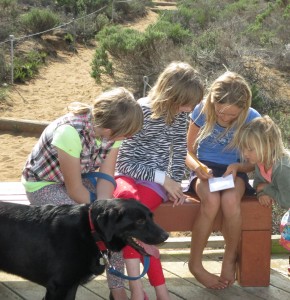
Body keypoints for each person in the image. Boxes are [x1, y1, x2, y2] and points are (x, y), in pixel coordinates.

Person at [110, 61, 204, 300]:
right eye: (188, 103)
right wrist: (164, 178)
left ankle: (148, 293)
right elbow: (123, 163)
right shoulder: (140, 112)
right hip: (128, 178)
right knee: (127, 206)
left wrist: (173, 182)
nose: (191, 108)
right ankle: (142, 291)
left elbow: (179, 151)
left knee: (132, 218)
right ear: (172, 96)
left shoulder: (181, 116)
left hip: (155, 184)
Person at [185, 71, 261, 289]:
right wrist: (198, 166)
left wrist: (238, 167)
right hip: (204, 168)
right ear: (212, 101)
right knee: (211, 201)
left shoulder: (251, 117)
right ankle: (195, 264)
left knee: (230, 201)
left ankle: (229, 257)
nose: (225, 118)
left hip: (235, 171)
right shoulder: (201, 110)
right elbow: (187, 151)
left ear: (243, 109)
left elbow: (256, 162)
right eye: (220, 112)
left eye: (232, 116)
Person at [22, 87, 143, 206]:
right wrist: (99, 209)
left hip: (77, 178)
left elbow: (106, 176)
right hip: (43, 184)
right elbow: (75, 190)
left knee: (111, 208)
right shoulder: (69, 133)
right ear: (108, 130)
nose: (127, 138)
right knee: (80, 218)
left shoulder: (111, 133)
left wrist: (103, 203)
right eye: (127, 136)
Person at [235, 115, 290, 251]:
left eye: (250, 149)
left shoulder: (283, 168)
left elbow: (286, 201)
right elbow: (258, 183)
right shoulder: (260, 163)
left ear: (269, 144)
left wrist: (266, 188)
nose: (245, 153)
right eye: (243, 148)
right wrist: (261, 193)